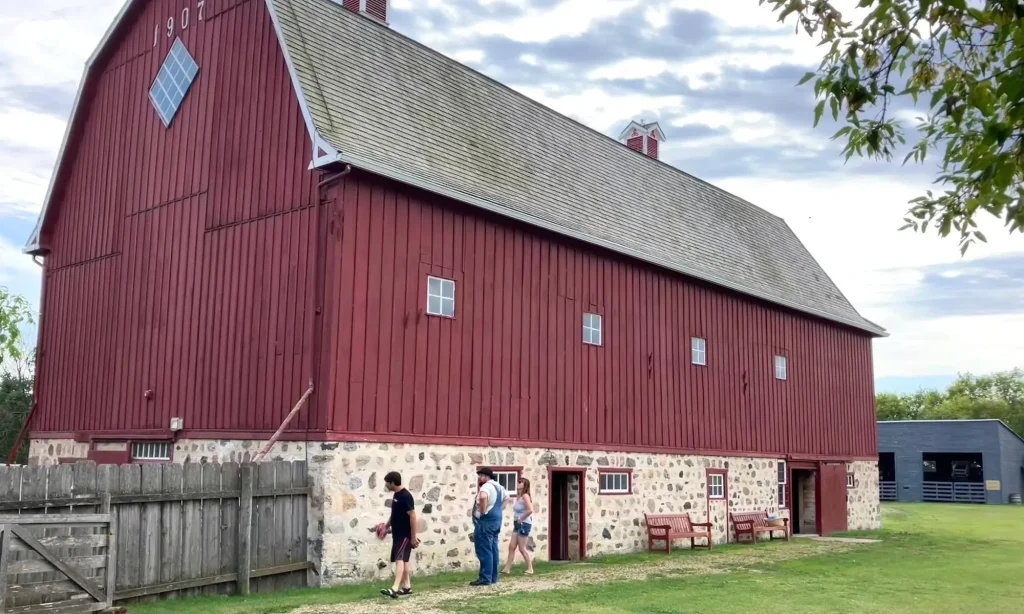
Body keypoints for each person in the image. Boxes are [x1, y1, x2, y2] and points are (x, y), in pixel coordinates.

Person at [380, 471, 419, 599]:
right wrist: (386, 527)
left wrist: (413, 537)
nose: (386, 485)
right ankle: (407, 587)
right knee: (404, 561)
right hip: (397, 534)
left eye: (387, 483)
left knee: (399, 559)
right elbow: (394, 514)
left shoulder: (406, 496)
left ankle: (395, 588)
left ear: (392, 483)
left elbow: (412, 516)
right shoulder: (396, 495)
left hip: (404, 535)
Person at [470, 467, 506, 586]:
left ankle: (485, 577)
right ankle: (493, 576)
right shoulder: (499, 487)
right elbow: (507, 498)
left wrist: (482, 511)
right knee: (493, 548)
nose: (480, 478)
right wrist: (499, 508)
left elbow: (483, 497)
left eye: (481, 476)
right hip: (496, 520)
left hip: (486, 521)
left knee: (484, 548)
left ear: (487, 476)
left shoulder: (486, 487)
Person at [501, 477, 535, 575]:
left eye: (520, 482)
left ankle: (530, 568)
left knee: (522, 548)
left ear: (525, 485)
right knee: (511, 546)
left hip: (524, 524)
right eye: (518, 481)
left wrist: (521, 519)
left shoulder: (525, 496)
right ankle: (507, 569)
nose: (518, 483)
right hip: (517, 523)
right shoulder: (518, 496)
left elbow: (530, 510)